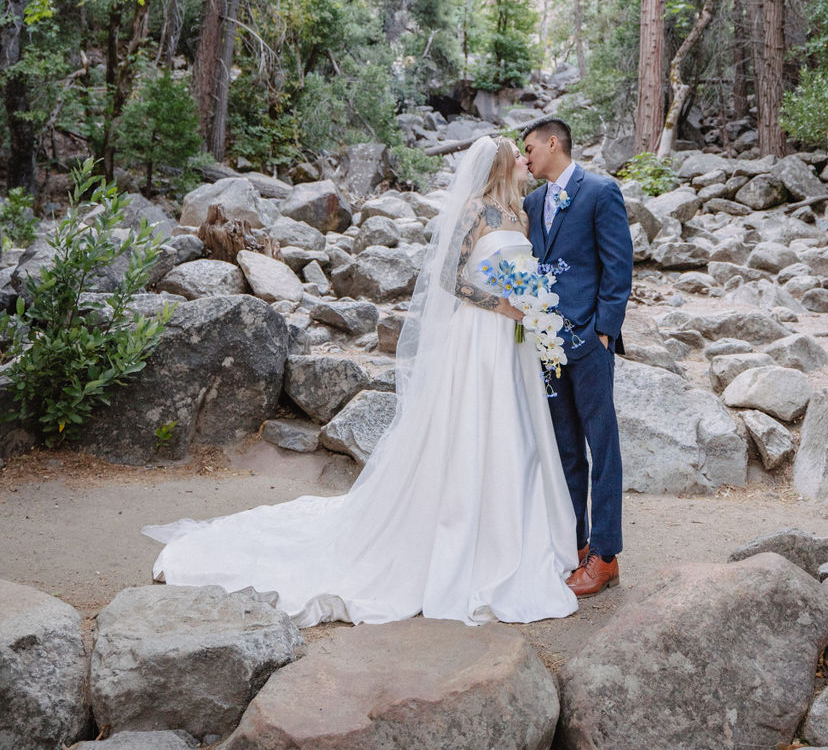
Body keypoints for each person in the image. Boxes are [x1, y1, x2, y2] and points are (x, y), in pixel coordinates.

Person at [143, 137, 578, 626]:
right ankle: (461, 535)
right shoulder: (475, 211)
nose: (525, 159)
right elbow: (449, 280)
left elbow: (525, 272)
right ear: (500, 163)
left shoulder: (520, 215)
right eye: (517, 155)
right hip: (479, 338)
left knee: (516, 436)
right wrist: (503, 304)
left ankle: (513, 536)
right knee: (474, 429)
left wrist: (534, 305)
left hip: (512, 343)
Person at [522, 117, 633, 598]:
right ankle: (575, 545)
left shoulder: (599, 191)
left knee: (601, 446)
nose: (525, 158)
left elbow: (618, 264)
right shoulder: (531, 201)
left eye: (529, 149)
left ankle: (605, 556)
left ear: (553, 143)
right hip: (546, 345)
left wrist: (604, 333)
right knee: (565, 448)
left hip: (589, 343)